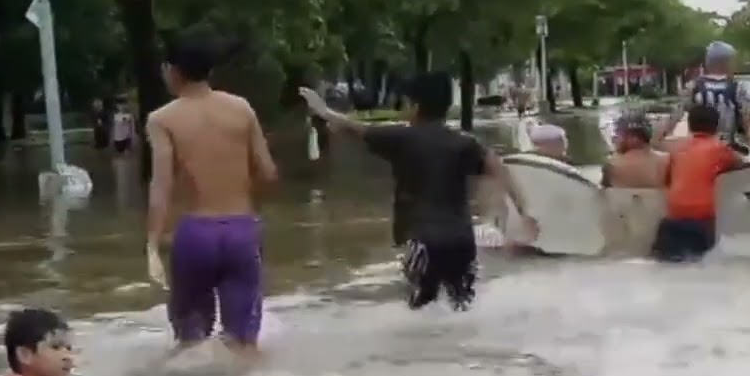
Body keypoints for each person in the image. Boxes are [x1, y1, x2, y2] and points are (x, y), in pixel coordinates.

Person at [298, 71, 538, 310]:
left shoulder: (401, 138)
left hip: (424, 240)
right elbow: (501, 169)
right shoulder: (465, 142)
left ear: (415, 106)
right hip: (462, 240)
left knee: (420, 311)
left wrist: (325, 112)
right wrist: (524, 211)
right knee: (461, 307)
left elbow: (357, 128)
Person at [145, 33, 278, 357]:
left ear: (172, 70)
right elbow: (269, 173)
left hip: (195, 235)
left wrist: (151, 245)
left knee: (191, 342)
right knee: (244, 343)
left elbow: (161, 187)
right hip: (242, 230)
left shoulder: (162, 119)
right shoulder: (241, 108)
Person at [650, 104, 750, 262]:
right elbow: (743, 164)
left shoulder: (676, 148)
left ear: (689, 124)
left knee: (664, 265)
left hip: (673, 217)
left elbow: (657, 149)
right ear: (716, 126)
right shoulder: (720, 149)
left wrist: (673, 119)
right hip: (702, 220)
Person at [660, 41, 750, 155]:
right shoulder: (737, 87)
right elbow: (747, 120)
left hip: (699, 148)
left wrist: (662, 135)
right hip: (728, 148)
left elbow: (676, 114)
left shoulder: (694, 86)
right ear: (725, 62)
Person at [601, 111, 667, 189]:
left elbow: (602, 192)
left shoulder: (611, 166)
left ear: (634, 138)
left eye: (619, 133)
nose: (615, 138)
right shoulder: (666, 162)